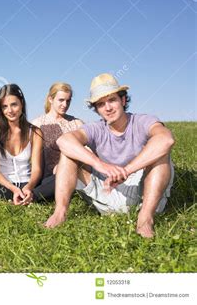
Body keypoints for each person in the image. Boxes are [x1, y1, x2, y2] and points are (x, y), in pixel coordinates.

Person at [44, 73, 175, 238]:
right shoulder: (96, 128)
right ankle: (60, 213)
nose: (108, 108)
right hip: (109, 193)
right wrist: (100, 165)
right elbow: (64, 140)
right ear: (96, 109)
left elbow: (166, 139)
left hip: (144, 193)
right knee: (68, 154)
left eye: (112, 100)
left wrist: (126, 170)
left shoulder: (142, 121)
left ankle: (145, 219)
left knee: (161, 154)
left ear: (123, 100)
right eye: (101, 104)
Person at [0, 84, 43, 205]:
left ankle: (26, 195)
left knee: (55, 181)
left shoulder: (35, 132)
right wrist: (14, 189)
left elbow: (37, 169)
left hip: (28, 183)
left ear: (21, 103)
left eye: (14, 104)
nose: (10, 110)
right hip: (4, 185)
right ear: (0, 109)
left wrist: (28, 187)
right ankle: (23, 197)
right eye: (5, 106)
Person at [31, 82, 82, 201]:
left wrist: (63, 165)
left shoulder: (77, 123)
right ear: (50, 99)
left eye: (68, 101)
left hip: (71, 172)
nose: (65, 104)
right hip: (46, 176)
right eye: (61, 100)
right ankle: (37, 193)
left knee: (70, 173)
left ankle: (32, 196)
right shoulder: (37, 124)